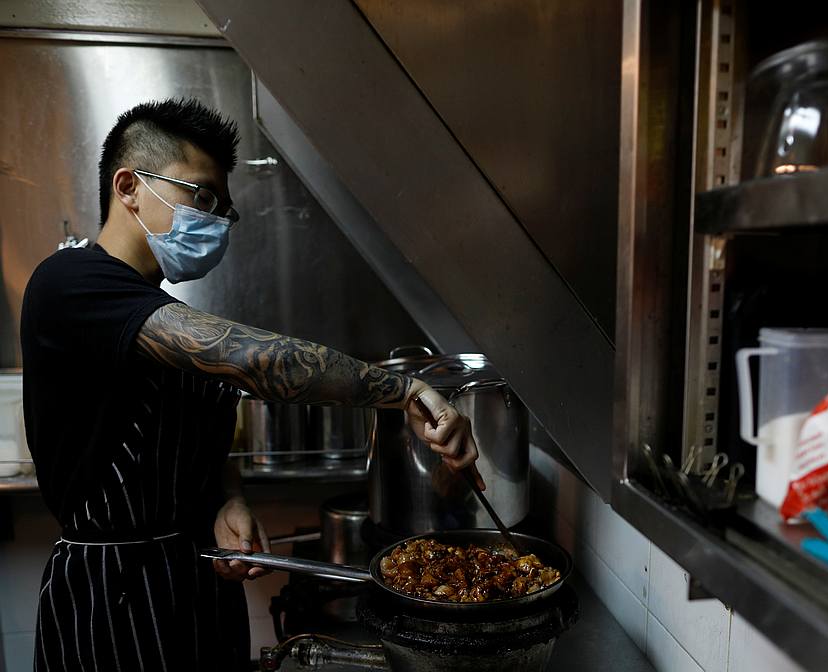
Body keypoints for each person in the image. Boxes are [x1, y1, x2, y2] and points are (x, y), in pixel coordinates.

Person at [20, 98, 482, 671]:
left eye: (224, 210)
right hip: (113, 596)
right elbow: (257, 360)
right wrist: (404, 390)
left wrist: (226, 498)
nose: (215, 221)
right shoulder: (71, 285)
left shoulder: (155, 310)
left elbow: (201, 437)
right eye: (202, 197)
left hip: (198, 583)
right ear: (128, 186)